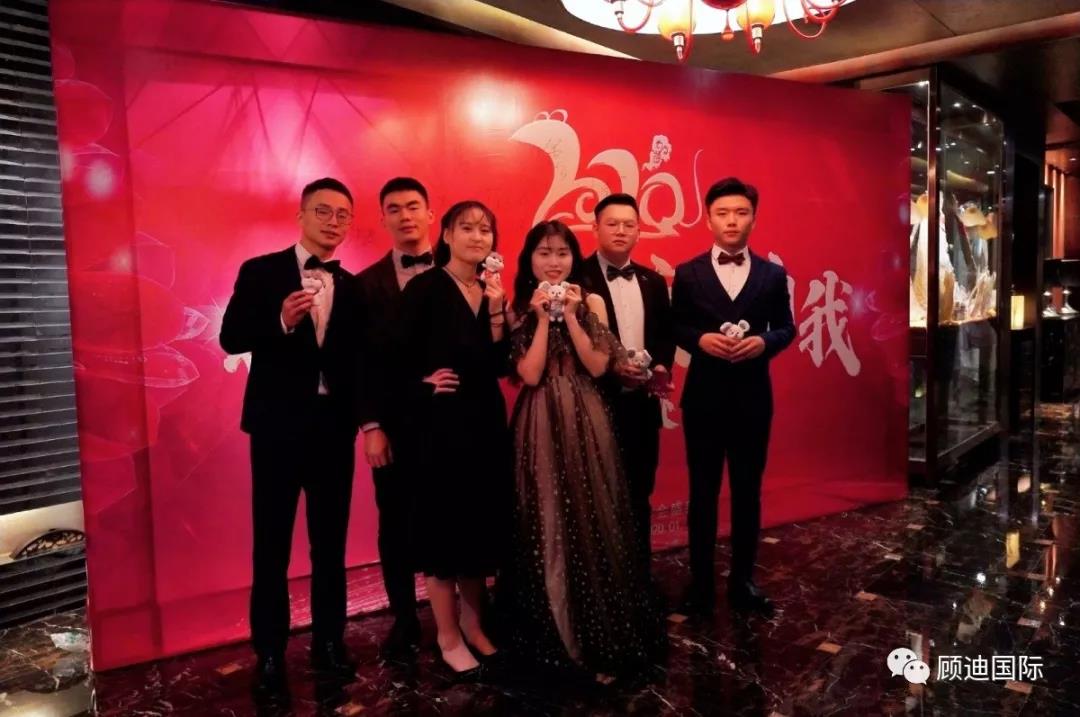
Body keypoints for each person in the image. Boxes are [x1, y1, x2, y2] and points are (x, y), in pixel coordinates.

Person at [220, 177, 368, 694]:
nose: (333, 221)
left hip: (333, 431)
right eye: (323, 211)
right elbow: (230, 336)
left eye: (343, 214)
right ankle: (269, 653)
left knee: (330, 545)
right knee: (271, 545)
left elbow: (360, 361)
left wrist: (367, 420)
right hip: (277, 429)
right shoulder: (260, 271)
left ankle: (329, 643)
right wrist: (279, 321)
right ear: (301, 216)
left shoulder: (353, 287)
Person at [504, 220, 663, 681]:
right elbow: (529, 374)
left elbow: (596, 366)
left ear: (574, 258)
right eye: (544, 253)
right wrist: (540, 318)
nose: (554, 262)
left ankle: (599, 634)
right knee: (546, 519)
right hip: (538, 418)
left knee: (594, 515)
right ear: (530, 260)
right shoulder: (518, 306)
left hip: (587, 415)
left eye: (562, 253)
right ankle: (558, 634)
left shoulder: (591, 300)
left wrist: (572, 316)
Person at [394, 200, 511, 677]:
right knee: (443, 535)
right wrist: (420, 386)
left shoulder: (488, 289)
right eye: (467, 228)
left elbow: (500, 364)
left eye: (485, 229)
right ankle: (446, 635)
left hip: (485, 423)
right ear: (446, 234)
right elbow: (392, 356)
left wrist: (498, 308)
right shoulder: (424, 287)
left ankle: (473, 624)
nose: (477, 237)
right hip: (440, 428)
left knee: (478, 530)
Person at [670, 177, 795, 618]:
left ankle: (743, 581)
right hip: (703, 399)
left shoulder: (772, 274)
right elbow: (675, 325)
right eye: (723, 213)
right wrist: (699, 340)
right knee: (702, 493)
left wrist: (765, 343)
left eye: (741, 213)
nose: (732, 221)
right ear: (708, 219)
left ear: (753, 219)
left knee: (747, 492)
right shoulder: (688, 272)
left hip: (752, 399)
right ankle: (700, 583)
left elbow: (787, 327)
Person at [353, 177, 435, 661]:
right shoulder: (364, 286)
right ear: (383, 218)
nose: (406, 216)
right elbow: (358, 364)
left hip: (450, 421)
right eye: (395, 209)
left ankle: (465, 613)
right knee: (396, 523)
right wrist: (371, 426)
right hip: (395, 426)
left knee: (454, 515)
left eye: (413, 206)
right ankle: (404, 617)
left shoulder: (462, 272)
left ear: (430, 214)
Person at [580, 193, 674, 570]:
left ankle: (638, 577)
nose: (621, 230)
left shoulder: (653, 281)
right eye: (612, 223)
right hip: (594, 405)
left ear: (639, 231)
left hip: (642, 406)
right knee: (593, 496)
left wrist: (661, 367)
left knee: (639, 493)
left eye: (628, 224)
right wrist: (611, 370)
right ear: (595, 228)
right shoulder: (577, 278)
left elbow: (664, 336)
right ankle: (601, 580)